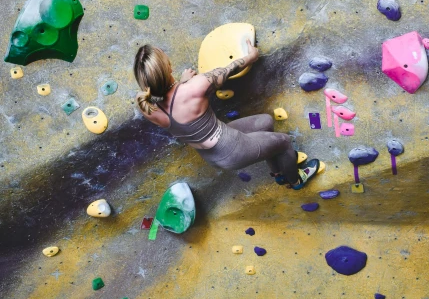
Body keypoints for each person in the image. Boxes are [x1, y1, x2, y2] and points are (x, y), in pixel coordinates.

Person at [133, 41, 319, 189]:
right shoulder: (196, 85)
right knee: (284, 141)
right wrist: (251, 56)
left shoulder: (147, 106)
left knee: (266, 121)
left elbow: (176, 101)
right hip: (232, 149)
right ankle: (295, 181)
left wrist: (182, 83)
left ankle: (278, 174)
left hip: (214, 151)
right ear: (168, 66)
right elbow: (231, 68)